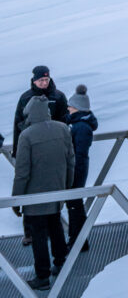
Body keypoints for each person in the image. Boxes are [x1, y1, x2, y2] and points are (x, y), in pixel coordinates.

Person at [12, 95, 74, 291]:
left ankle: (43, 277)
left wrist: (16, 199)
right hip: (57, 191)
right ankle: (61, 263)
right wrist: (66, 187)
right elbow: (71, 161)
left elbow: (22, 172)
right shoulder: (63, 129)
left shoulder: (27, 135)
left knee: (38, 235)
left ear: (30, 113)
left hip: (34, 196)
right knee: (55, 226)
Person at [12, 65, 68, 246]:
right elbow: (17, 124)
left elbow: (65, 121)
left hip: (53, 149)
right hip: (30, 149)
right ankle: (29, 232)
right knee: (29, 190)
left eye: (46, 80)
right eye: (41, 80)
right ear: (34, 80)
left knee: (52, 189)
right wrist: (16, 150)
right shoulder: (26, 98)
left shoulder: (58, 97)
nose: (44, 83)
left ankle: (54, 230)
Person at [65, 85, 98, 251]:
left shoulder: (81, 127)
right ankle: (76, 239)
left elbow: (79, 153)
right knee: (74, 204)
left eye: (69, 107)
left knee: (75, 204)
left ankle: (79, 241)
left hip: (77, 170)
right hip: (77, 168)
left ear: (77, 108)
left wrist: (72, 171)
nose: (67, 109)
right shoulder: (79, 123)